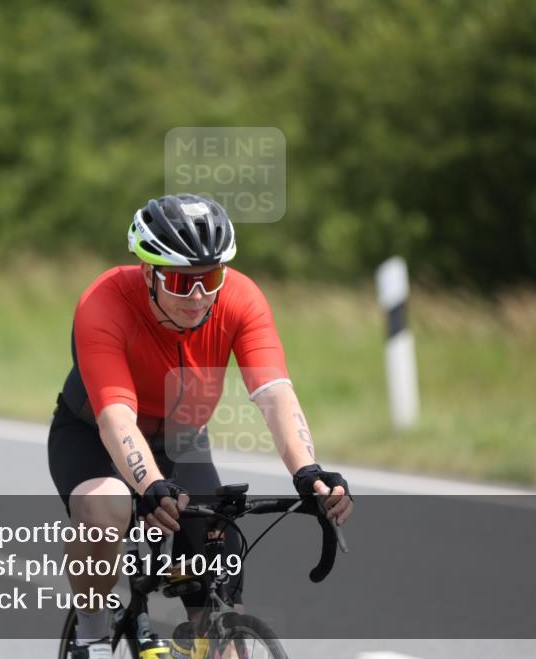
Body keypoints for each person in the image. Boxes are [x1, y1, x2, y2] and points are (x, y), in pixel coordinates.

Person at [48, 194, 354, 658]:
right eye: (180, 281)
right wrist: (149, 486)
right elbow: (115, 416)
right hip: (95, 438)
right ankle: (90, 634)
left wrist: (307, 471)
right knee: (105, 510)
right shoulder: (105, 301)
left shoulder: (241, 299)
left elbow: (274, 393)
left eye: (209, 279)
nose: (198, 297)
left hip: (181, 439)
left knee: (217, 566)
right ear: (148, 272)